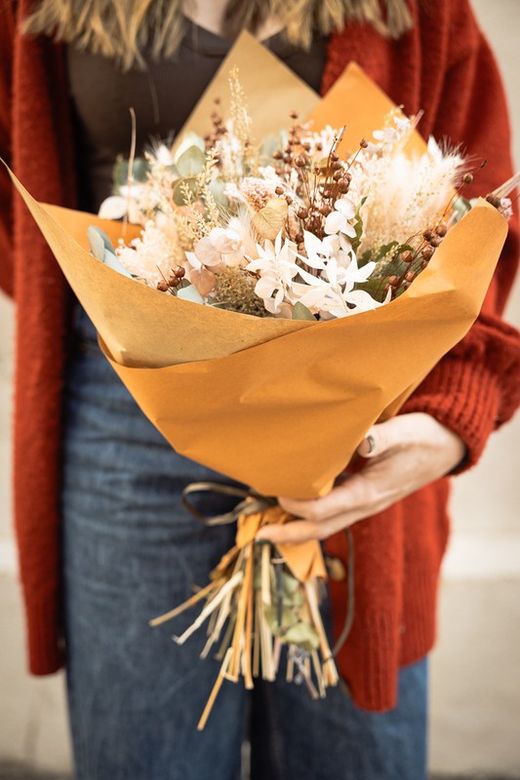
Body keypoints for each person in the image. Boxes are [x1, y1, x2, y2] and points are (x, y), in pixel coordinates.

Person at [1, 1, 519, 778]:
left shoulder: (414, 8)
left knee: (354, 754)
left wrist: (449, 418)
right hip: (124, 411)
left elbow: (481, 212)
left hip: (356, 420)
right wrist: (153, 300)